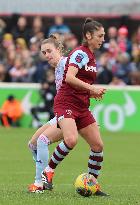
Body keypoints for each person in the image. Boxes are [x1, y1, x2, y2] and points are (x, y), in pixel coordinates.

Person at [41, 18, 108, 196]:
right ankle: (47, 171)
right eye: (100, 35)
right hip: (66, 102)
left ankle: (92, 183)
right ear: (88, 35)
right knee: (71, 140)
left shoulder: (91, 56)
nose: (103, 39)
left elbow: (80, 82)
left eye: (104, 35)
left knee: (98, 145)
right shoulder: (81, 53)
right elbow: (69, 78)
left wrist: (90, 93)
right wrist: (91, 88)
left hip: (81, 105)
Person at [28, 34, 67, 193]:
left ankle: (40, 183)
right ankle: (45, 177)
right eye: (44, 53)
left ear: (58, 49)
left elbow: (80, 86)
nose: (46, 55)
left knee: (42, 141)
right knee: (32, 144)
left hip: (71, 114)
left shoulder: (65, 64)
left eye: (49, 51)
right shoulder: (57, 67)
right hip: (60, 114)